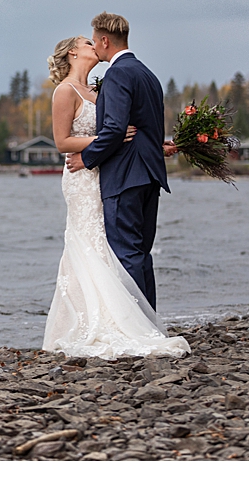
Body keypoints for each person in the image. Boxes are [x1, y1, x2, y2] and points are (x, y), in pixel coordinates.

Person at [42, 28, 189, 358]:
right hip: (82, 175)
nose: (93, 45)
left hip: (108, 173)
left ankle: (126, 315)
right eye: (85, 42)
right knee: (89, 244)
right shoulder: (65, 92)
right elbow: (63, 142)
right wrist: (108, 139)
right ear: (72, 54)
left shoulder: (98, 89)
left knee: (115, 248)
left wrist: (149, 144)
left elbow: (121, 131)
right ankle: (89, 320)